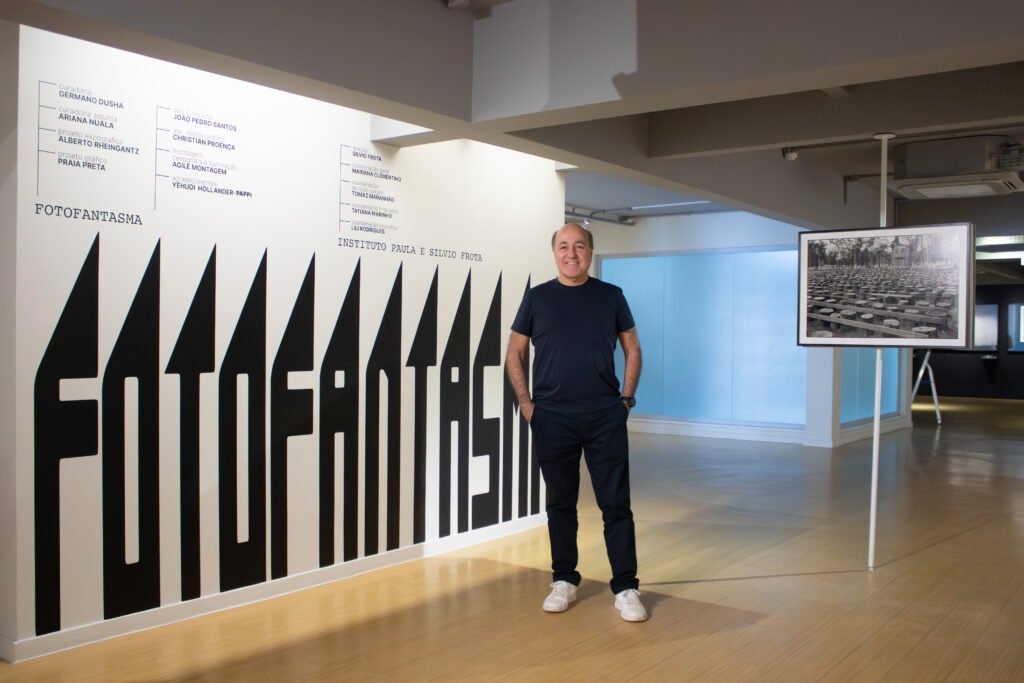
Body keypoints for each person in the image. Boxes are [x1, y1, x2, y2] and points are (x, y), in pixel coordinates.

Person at [506, 222, 646, 622]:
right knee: (560, 504)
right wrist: (527, 405)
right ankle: (564, 579)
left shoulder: (611, 296)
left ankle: (626, 587)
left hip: (604, 416)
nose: (571, 253)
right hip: (552, 418)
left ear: (590, 251)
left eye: (579, 246)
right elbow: (514, 353)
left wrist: (625, 401)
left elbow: (633, 349)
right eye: (564, 246)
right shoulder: (537, 298)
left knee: (616, 505)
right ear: (554, 253)